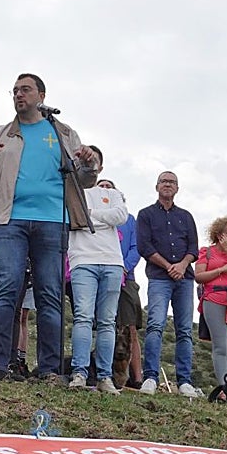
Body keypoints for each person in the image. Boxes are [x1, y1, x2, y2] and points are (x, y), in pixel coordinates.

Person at [0, 73, 99, 382]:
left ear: (42, 96)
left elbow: (85, 181)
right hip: (9, 221)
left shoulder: (64, 133)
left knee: (50, 294)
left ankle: (49, 370)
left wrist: (90, 163)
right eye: (14, 91)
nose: (18, 95)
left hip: (54, 222)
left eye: (25, 90)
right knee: (6, 288)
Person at [67, 146, 127, 395]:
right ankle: (79, 372)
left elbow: (121, 215)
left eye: (94, 161)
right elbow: (75, 218)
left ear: (100, 166)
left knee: (107, 322)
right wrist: (102, 217)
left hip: (113, 261)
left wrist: (91, 216)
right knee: (83, 317)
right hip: (83, 259)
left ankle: (105, 377)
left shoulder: (112, 192)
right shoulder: (73, 191)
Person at [137, 171, 201, 397]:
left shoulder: (186, 216)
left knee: (184, 330)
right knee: (155, 325)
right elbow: (144, 246)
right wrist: (168, 266)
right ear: (156, 187)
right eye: (164, 181)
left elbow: (194, 247)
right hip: (158, 277)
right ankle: (150, 378)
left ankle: (184, 381)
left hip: (184, 279)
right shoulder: (145, 215)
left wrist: (182, 266)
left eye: (172, 182)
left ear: (177, 188)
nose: (167, 185)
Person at [194, 216, 227, 385]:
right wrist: (220, 270)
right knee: (221, 347)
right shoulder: (206, 252)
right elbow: (198, 276)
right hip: (214, 300)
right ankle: (224, 386)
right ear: (219, 235)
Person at [102, 179, 143, 389]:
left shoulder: (130, 220)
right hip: (101, 275)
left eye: (110, 186)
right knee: (104, 325)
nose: (105, 188)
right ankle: (104, 371)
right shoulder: (93, 218)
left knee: (130, 329)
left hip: (127, 278)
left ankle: (136, 377)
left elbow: (137, 247)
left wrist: (124, 268)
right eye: (101, 185)